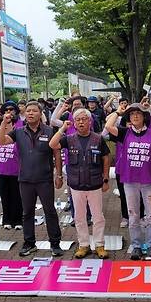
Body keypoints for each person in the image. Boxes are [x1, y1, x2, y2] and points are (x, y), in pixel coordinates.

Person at [0, 101, 64, 257]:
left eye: (34, 111)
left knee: (50, 211)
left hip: (45, 179)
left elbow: (56, 153)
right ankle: (29, 243)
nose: (31, 113)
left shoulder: (50, 130)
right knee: (27, 213)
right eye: (28, 111)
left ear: (40, 114)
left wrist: (59, 174)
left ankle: (55, 244)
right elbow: (0, 141)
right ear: (24, 114)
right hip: (25, 179)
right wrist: (3, 123)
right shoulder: (18, 131)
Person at [50, 108, 111, 259]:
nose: (81, 122)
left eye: (84, 119)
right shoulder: (68, 139)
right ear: (74, 123)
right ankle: (83, 244)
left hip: (95, 184)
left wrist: (105, 179)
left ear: (90, 122)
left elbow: (106, 158)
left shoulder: (98, 139)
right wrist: (63, 128)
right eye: (78, 120)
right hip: (76, 185)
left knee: (98, 217)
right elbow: (52, 144)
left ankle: (99, 245)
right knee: (79, 217)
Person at [106, 103, 151, 260]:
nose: (135, 116)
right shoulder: (124, 133)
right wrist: (118, 112)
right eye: (132, 114)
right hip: (130, 180)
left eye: (139, 113)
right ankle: (136, 245)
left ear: (144, 116)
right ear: (129, 118)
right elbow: (108, 125)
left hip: (149, 181)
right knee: (133, 214)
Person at [0, 103, 24, 230]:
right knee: (5, 196)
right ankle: (7, 219)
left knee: (17, 195)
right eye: (6, 110)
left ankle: (18, 219)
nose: (9, 112)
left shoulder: (21, 126)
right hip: (1, 169)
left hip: (16, 169)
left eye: (11, 109)